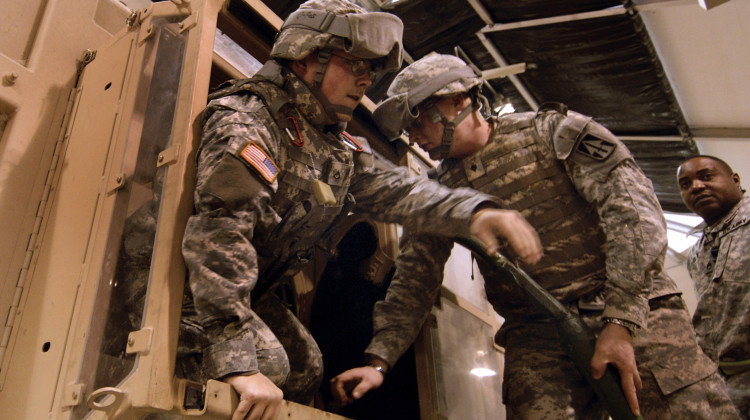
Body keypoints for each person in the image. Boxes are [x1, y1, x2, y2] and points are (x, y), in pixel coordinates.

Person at [179, 4, 542, 420]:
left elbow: (400, 190)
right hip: (184, 285)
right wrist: (238, 363)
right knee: (266, 368)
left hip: (243, 289)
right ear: (304, 58)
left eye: (370, 69)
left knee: (304, 368)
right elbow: (219, 238)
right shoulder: (249, 121)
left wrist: (474, 213)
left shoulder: (333, 146)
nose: (366, 80)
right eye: (355, 65)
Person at [330, 52, 740, 419]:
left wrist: (620, 322)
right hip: (538, 334)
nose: (412, 135)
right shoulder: (440, 194)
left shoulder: (555, 134)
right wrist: (379, 359)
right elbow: (415, 280)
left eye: (416, 118)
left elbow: (635, 218)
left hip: (633, 309)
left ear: (458, 101)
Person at [678, 155, 750, 417]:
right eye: (686, 184)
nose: (696, 187)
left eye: (706, 177)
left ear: (735, 180)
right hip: (728, 387)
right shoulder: (697, 251)